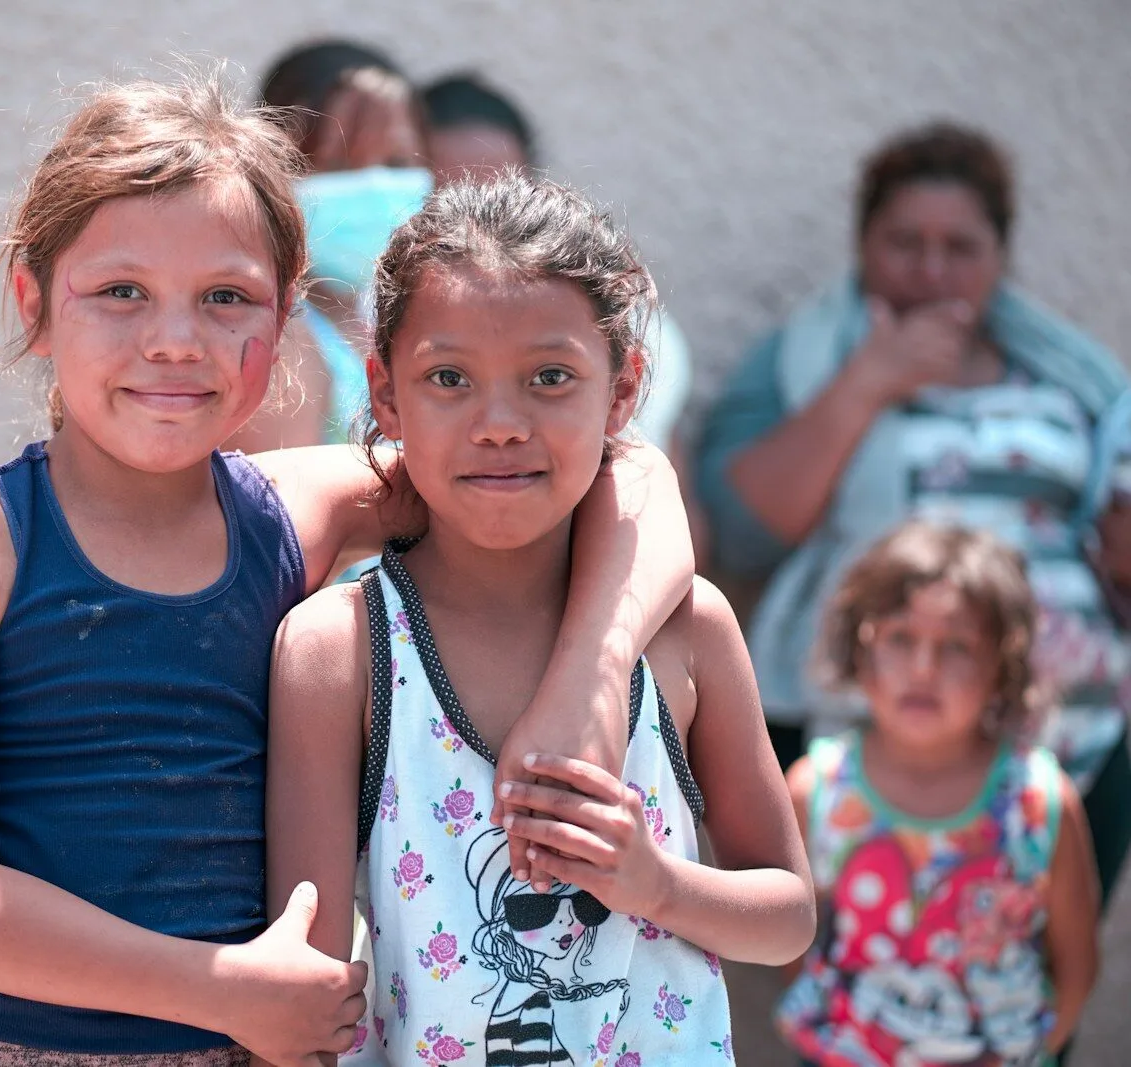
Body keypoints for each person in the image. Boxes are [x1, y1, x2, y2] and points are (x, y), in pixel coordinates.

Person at [0, 73, 698, 1066]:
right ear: (35, 304)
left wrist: (586, 686)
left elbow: (631, 471)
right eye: (121, 291)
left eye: (225, 298)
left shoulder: (291, 510)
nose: (174, 339)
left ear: (287, 316)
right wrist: (217, 986)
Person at [265, 173, 814, 1065]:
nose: (500, 424)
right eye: (449, 378)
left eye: (550, 376)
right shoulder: (342, 651)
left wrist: (657, 884)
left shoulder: (687, 631)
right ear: (385, 391)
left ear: (624, 388)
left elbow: (787, 916)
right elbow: (309, 999)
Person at [694, 121, 1131, 906]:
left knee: (1034, 991)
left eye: (960, 247)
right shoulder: (809, 360)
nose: (932, 270)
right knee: (875, 978)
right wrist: (869, 382)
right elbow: (739, 531)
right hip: (889, 748)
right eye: (904, 242)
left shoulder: (1072, 378)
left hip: (1078, 745)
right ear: (862, 247)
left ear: (1000, 257)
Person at [776, 522, 1099, 1066]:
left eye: (956, 647)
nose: (923, 670)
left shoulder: (1041, 802)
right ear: (861, 648)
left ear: (1003, 665)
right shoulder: (816, 791)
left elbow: (1076, 965)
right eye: (901, 639)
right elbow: (791, 948)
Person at [420, 73, 694, 453]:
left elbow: (663, 464)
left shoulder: (634, 327)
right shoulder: (378, 316)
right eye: (449, 378)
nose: (472, 225)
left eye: (551, 377)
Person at [228, 41, 432, 453]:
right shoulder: (279, 336)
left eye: (395, 163)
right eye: (338, 165)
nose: (374, 186)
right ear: (276, 173)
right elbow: (283, 506)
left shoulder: (385, 314)